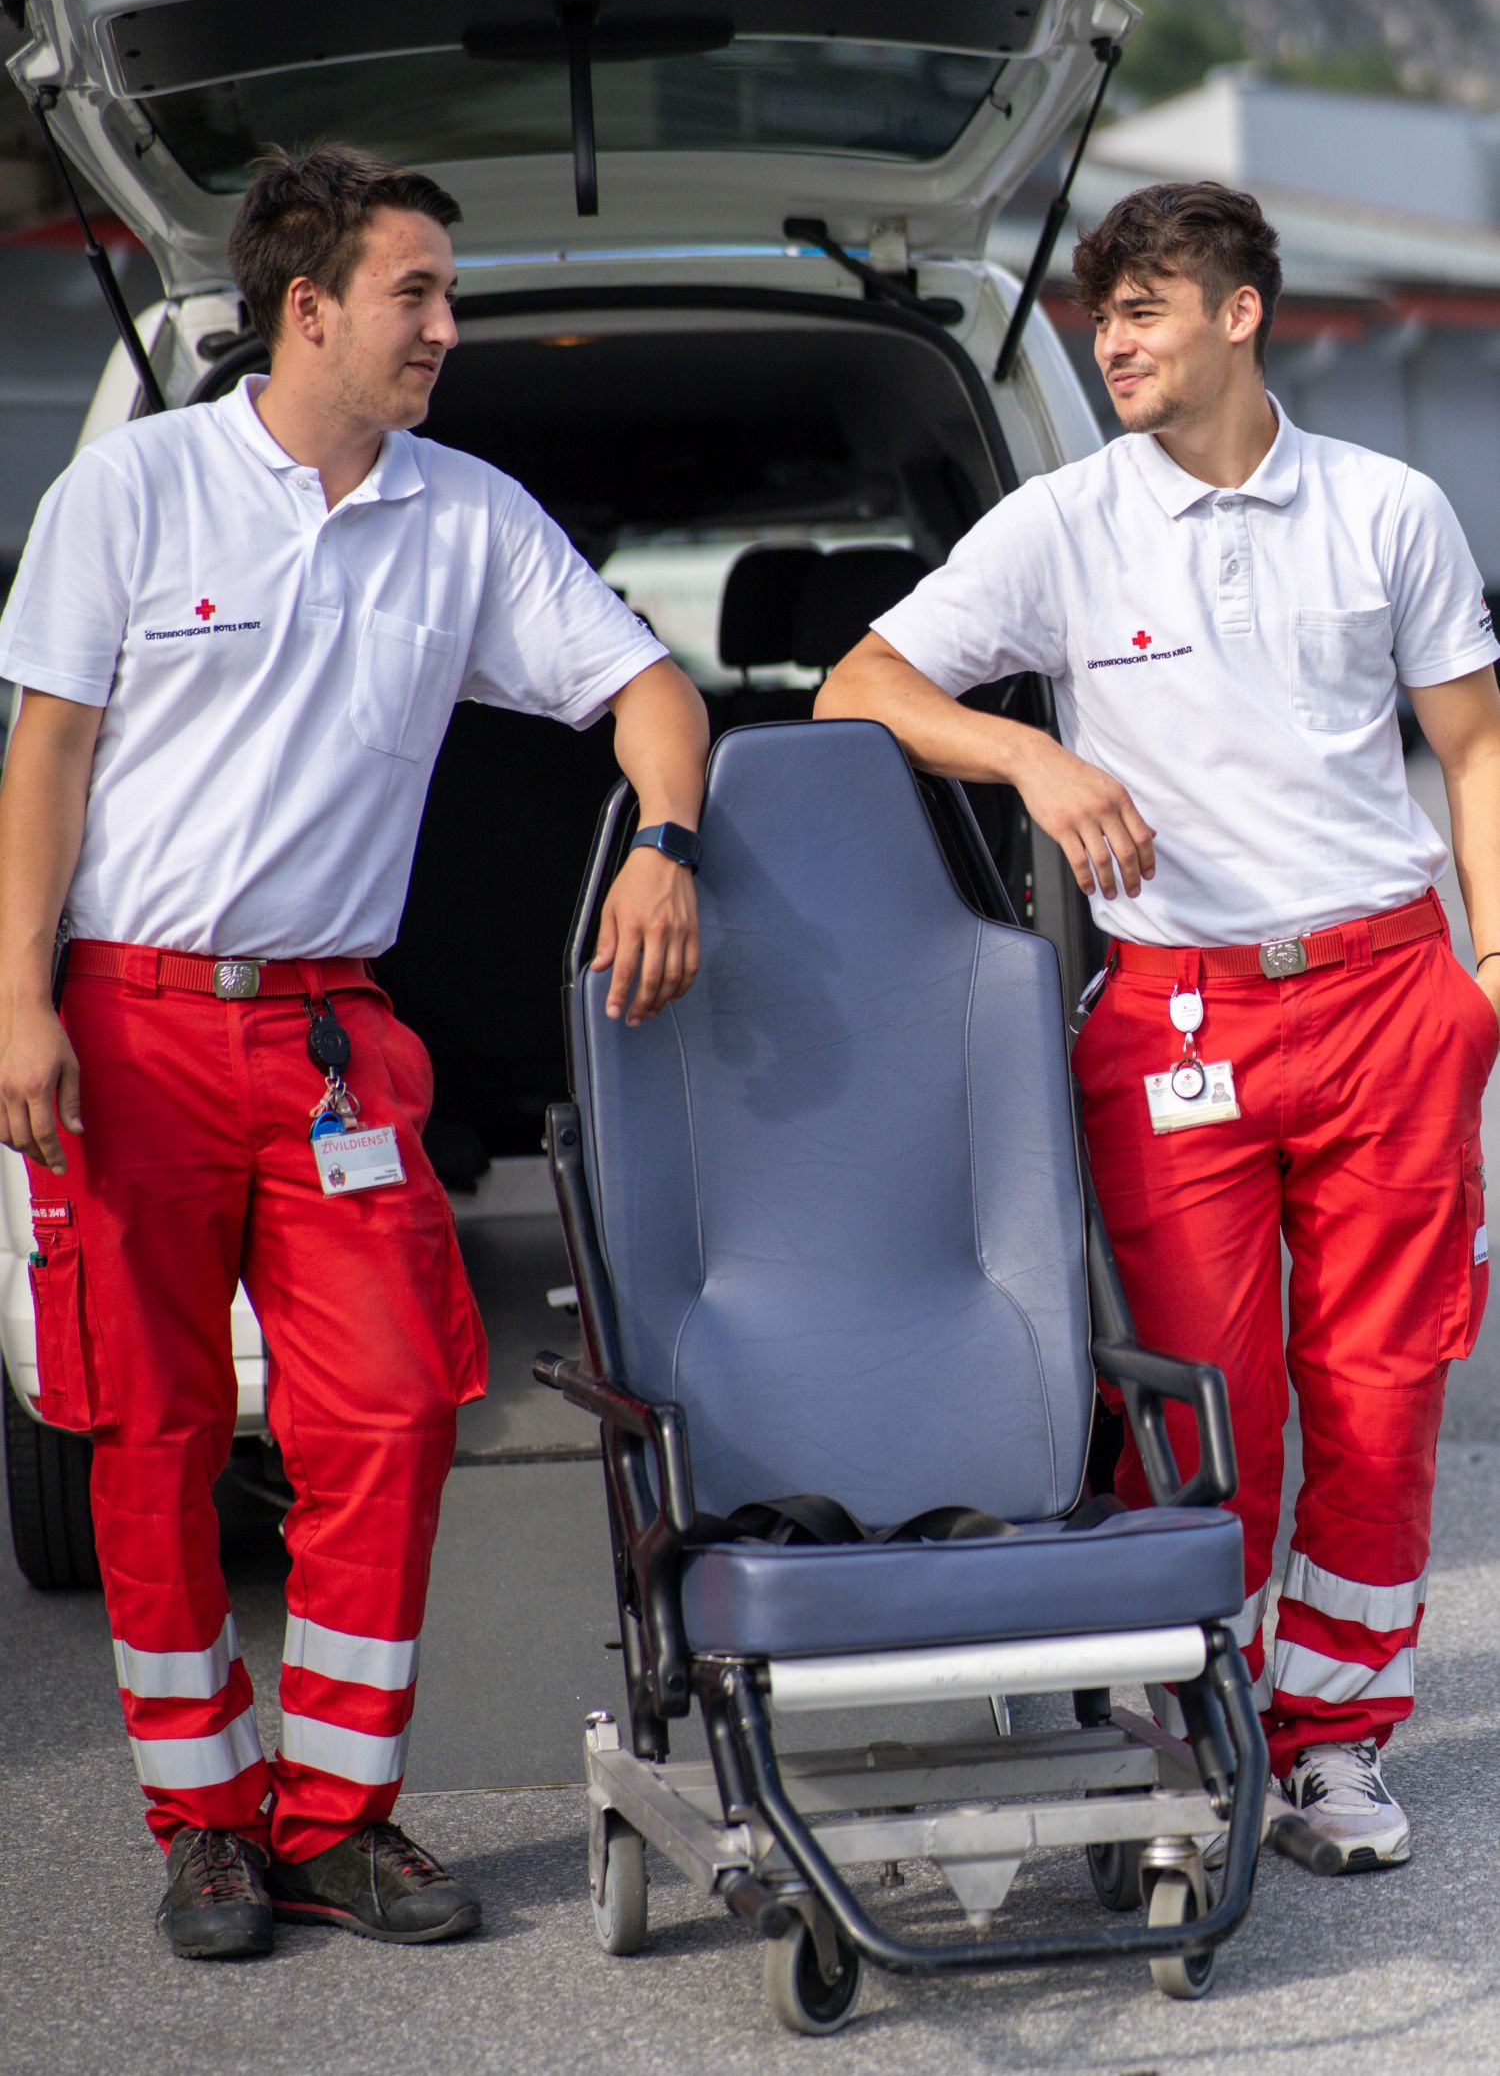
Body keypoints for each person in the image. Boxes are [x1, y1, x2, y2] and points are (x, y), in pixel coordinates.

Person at [0, 145, 708, 1956]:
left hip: (330, 1045)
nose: (447, 330)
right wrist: (15, 999)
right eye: (419, 296)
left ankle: (337, 1816)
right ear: (306, 307)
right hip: (131, 1020)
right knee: (150, 1427)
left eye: (446, 297)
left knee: (389, 1410)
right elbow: (50, 759)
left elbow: (647, 690)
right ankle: (204, 1821)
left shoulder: (464, 515)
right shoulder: (133, 492)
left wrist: (665, 842)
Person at [816, 180, 1500, 1872]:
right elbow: (864, 687)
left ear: (1242, 314)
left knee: (1381, 1390)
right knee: (1205, 1396)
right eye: (1102, 315)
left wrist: (1492, 984)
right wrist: (1035, 755)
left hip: (1392, 998)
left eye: (1145, 310)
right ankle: (1192, 1721)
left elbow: (1474, 745)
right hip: (1179, 1015)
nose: (1112, 340)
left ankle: (1336, 1739)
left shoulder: (1387, 506)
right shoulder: (1062, 524)